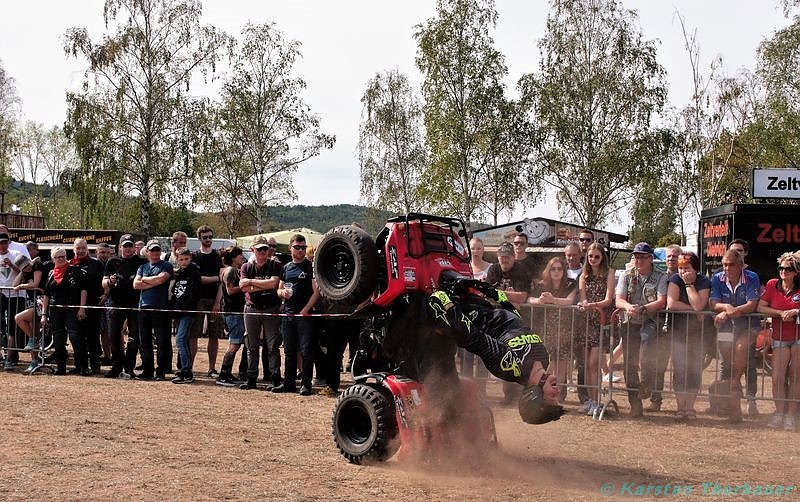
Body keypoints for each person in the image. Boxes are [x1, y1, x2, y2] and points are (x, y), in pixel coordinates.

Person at [425, 287, 565, 425]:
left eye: (553, 396)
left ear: (536, 395)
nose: (557, 390)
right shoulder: (543, 358)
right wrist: (499, 297)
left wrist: (448, 305)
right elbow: (517, 321)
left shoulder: (510, 366)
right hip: (478, 302)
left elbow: (473, 338)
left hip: (458, 310)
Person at [614, 242, 668, 418]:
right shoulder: (626, 274)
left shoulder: (661, 276)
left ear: (650, 258)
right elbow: (618, 300)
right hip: (629, 321)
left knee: (647, 348)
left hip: (650, 320)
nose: (638, 260)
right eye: (636, 256)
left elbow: (662, 301)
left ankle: (646, 383)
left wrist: (643, 308)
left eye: (643, 257)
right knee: (629, 362)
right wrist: (629, 307)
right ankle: (634, 404)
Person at [709, 248, 760, 423]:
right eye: (724, 264)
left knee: (740, 350)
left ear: (740, 265)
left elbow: (752, 305)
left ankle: (733, 384)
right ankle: (734, 406)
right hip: (726, 328)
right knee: (730, 362)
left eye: (730, 264)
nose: (726, 268)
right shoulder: (717, 278)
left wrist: (728, 312)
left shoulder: (752, 277)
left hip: (748, 326)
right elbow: (713, 303)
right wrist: (726, 308)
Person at [757, 252, 800, 431]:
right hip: (779, 337)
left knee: (795, 377)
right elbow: (760, 306)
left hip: (798, 338)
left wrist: (797, 311)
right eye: (781, 268)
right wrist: (780, 314)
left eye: (788, 269)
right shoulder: (772, 285)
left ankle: (790, 415)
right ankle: (779, 413)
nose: (783, 271)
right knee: (777, 378)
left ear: (796, 271)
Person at [273, 234, 320, 396]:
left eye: (303, 247)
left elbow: (316, 292)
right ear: (290, 248)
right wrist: (282, 292)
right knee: (289, 350)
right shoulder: (286, 268)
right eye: (297, 247)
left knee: (306, 351)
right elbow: (278, 288)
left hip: (304, 316)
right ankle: (288, 383)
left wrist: (305, 310)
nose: (300, 250)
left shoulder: (310, 267)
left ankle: (306, 384)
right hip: (288, 314)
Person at [666, 252, 711, 421]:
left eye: (687, 268)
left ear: (695, 268)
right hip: (678, 333)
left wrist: (689, 284)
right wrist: (693, 310)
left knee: (694, 370)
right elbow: (671, 304)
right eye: (680, 268)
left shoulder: (704, 281)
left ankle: (690, 407)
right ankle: (680, 407)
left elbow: (700, 304)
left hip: (699, 334)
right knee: (679, 370)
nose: (683, 271)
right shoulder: (675, 279)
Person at [528, 256, 577, 400]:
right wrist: (539, 300)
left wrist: (553, 300)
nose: (556, 271)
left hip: (565, 329)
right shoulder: (542, 285)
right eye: (553, 268)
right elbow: (529, 299)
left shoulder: (571, 284)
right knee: (545, 364)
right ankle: (545, 394)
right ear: (548, 270)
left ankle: (559, 395)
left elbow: (570, 301)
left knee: (561, 365)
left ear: (564, 270)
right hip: (545, 330)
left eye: (559, 268)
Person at [577, 243, 616, 415]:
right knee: (586, 364)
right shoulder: (583, 276)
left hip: (601, 321)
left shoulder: (609, 273)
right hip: (585, 322)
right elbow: (583, 298)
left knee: (594, 363)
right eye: (590, 256)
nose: (593, 259)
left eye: (597, 256)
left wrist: (592, 305)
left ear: (602, 258)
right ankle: (591, 400)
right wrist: (585, 305)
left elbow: (609, 299)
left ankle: (597, 400)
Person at [239, 236, 283, 390]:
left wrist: (251, 282)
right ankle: (251, 378)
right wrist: (265, 285)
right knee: (252, 345)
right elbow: (242, 288)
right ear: (253, 249)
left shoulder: (275, 265)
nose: (264, 251)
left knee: (272, 346)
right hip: (252, 308)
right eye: (260, 249)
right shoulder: (246, 267)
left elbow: (274, 283)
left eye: (266, 248)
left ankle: (275, 378)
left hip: (270, 308)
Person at [103, 234, 147, 379]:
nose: (128, 248)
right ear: (120, 247)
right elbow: (103, 282)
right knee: (114, 336)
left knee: (134, 338)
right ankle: (116, 366)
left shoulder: (142, 262)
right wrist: (109, 281)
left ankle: (129, 368)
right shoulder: (112, 261)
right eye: (125, 245)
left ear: (134, 247)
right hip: (116, 304)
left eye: (130, 245)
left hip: (135, 305)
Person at [39, 247, 88, 375]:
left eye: (63, 256)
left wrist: (82, 308)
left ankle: (82, 367)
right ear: (52, 259)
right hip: (55, 309)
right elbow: (47, 295)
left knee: (75, 337)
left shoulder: (75, 270)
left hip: (72, 308)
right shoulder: (50, 274)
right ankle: (61, 368)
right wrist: (44, 314)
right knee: (58, 339)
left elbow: (83, 290)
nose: (61, 259)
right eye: (58, 257)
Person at [133, 239, 174, 380]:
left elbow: (161, 280)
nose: (155, 253)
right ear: (148, 252)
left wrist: (145, 280)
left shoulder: (166, 265)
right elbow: (136, 285)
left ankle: (161, 371)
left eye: (157, 250)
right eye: (153, 250)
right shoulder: (142, 267)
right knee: (145, 341)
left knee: (162, 340)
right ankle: (148, 369)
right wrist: (152, 281)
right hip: (143, 307)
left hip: (160, 308)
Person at [190, 225, 224, 378]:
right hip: (197, 300)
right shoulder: (194, 256)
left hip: (214, 299)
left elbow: (223, 283)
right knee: (193, 335)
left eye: (210, 237)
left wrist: (217, 302)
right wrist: (217, 278)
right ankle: (189, 367)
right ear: (199, 238)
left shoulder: (217, 256)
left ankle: (211, 368)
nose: (208, 240)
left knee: (214, 335)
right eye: (205, 237)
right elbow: (198, 279)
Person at [70, 238, 105, 374]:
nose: (81, 251)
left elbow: (104, 280)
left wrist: (105, 294)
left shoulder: (96, 264)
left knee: (93, 337)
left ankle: (96, 366)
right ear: (74, 249)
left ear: (87, 249)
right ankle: (80, 366)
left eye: (83, 248)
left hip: (93, 305)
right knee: (77, 338)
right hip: (74, 306)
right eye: (78, 248)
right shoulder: (70, 264)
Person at [215, 246, 247, 387]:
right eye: (240, 256)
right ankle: (223, 373)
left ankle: (227, 373)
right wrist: (245, 285)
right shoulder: (230, 271)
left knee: (236, 343)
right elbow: (230, 290)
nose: (242, 258)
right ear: (234, 257)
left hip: (235, 312)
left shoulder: (231, 270)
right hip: (233, 312)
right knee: (234, 344)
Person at [170, 247, 201, 384]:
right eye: (181, 259)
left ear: (190, 258)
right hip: (177, 311)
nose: (184, 262)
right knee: (181, 340)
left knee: (180, 340)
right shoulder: (178, 274)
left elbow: (194, 294)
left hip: (187, 311)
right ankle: (182, 368)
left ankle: (187, 370)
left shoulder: (194, 273)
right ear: (177, 260)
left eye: (186, 259)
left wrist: (185, 307)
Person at [0, 232, 25, 368]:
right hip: (1, 293)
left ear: (9, 242)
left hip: (16, 294)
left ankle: (10, 358)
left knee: (12, 327)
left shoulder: (16, 254)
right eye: (1, 243)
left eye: (5, 242)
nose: (3, 246)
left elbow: (26, 271)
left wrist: (12, 265)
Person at [95, 242, 114, 365]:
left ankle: (115, 356)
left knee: (111, 331)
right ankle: (107, 356)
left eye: (107, 253)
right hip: (94, 301)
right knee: (102, 331)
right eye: (102, 252)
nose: (105, 255)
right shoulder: (93, 265)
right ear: (97, 253)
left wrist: (106, 295)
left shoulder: (113, 264)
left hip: (110, 301)